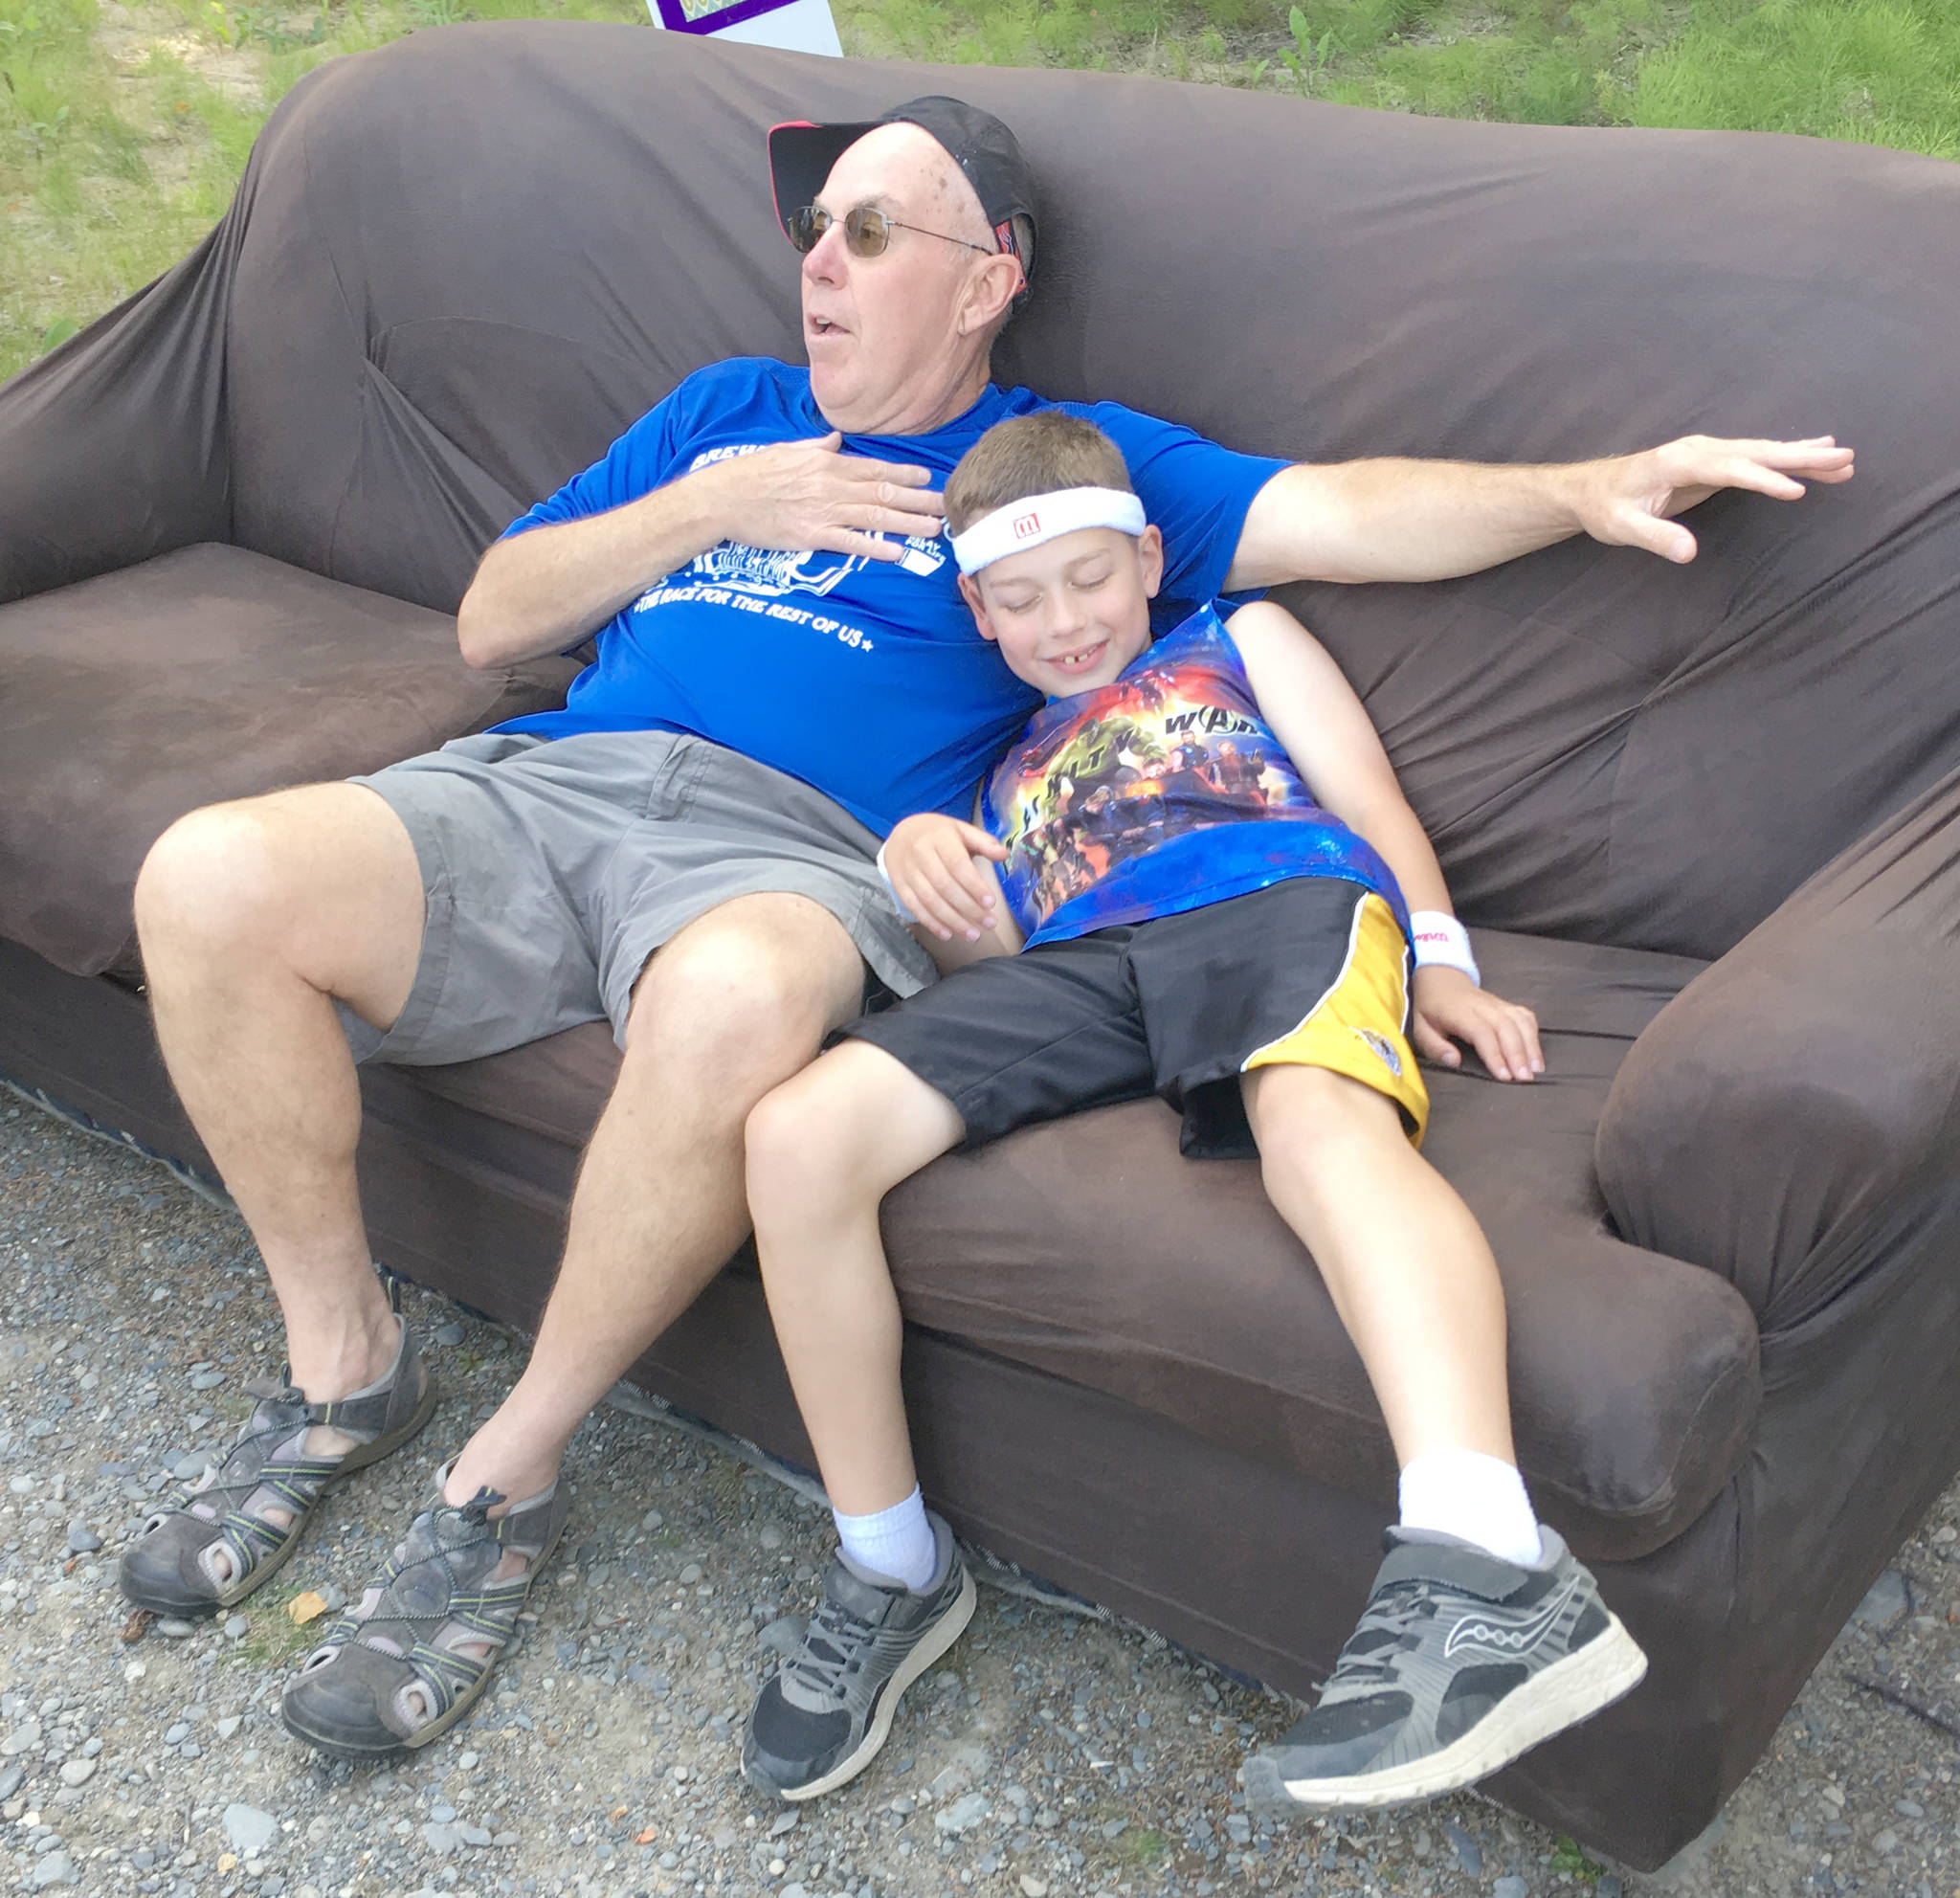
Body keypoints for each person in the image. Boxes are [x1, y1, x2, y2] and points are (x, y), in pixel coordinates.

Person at [119, 75, 1854, 1762]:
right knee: (208, 874)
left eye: (870, 228)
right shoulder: (724, 413)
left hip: (788, 856)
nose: (820, 261)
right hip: (549, 776)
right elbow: (497, 619)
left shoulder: (1047, 477)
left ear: (989, 276)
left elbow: (1343, 512)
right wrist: (723, 503)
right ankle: (343, 1370)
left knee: (737, 1009)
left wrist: (1582, 486)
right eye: (812, 227)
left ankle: (501, 1478)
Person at [738, 411, 1648, 1809]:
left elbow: (1370, 795)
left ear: (1149, 557)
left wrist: (1442, 959)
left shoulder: (1236, 635)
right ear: (978, 612)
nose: (1065, 623)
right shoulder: (1000, 769)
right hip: (1089, 963)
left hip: (1276, 894)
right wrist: (918, 861)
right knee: (798, 1135)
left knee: (1313, 1117)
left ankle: (1486, 1559)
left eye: (1093, 579)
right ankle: (889, 1558)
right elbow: (1004, 945)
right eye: (1023, 601)